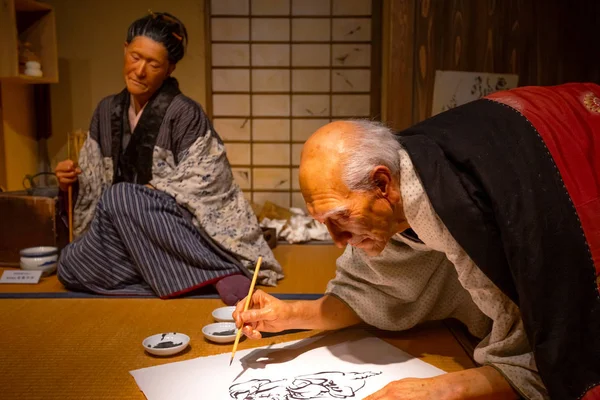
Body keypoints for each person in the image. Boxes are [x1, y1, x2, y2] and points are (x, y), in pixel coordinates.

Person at [234, 83, 600, 399]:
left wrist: (443, 388)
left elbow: (550, 350)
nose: (338, 240)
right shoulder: (395, 196)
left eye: (341, 217)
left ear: (382, 184)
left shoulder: (460, 204)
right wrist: (290, 314)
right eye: (324, 223)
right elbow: (374, 291)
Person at [54, 12, 282, 304]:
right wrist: (68, 183)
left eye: (153, 63)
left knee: (121, 196)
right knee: (69, 266)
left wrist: (151, 193)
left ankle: (212, 268)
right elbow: (92, 189)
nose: (140, 71)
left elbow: (209, 181)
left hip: (170, 229)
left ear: (169, 68)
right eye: (135, 57)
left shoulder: (185, 112)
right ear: (125, 49)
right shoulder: (105, 110)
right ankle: (186, 276)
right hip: (120, 229)